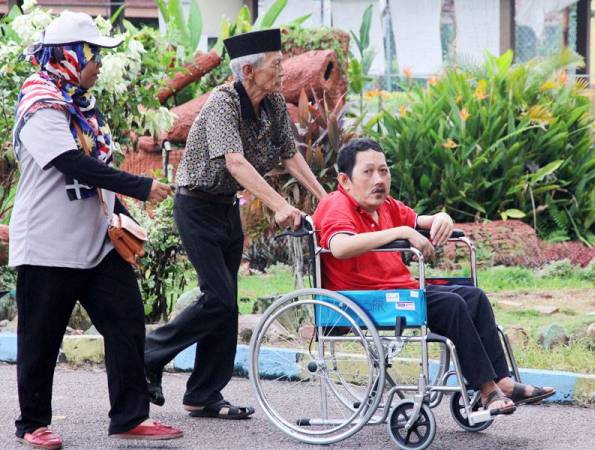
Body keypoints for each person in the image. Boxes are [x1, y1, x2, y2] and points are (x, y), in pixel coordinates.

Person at [9, 11, 183, 449]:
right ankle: (32, 424)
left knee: (126, 323)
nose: (99, 64)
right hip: (48, 243)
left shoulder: (81, 104)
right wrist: (141, 186)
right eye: (94, 55)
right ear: (70, 55)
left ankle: (129, 416)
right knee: (40, 339)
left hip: (95, 241)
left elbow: (97, 171)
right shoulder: (39, 99)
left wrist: (123, 212)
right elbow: (70, 162)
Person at [144, 28, 327, 419]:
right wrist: (278, 204)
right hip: (195, 206)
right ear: (248, 71)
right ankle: (148, 354)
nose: (282, 71)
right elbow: (235, 161)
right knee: (219, 298)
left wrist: (327, 200)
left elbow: (289, 155)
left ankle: (203, 394)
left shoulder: (274, 102)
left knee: (225, 306)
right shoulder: (222, 103)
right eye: (275, 65)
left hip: (227, 208)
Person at [312, 138, 555, 414]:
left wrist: (442, 217)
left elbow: (422, 221)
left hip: (400, 292)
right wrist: (401, 232)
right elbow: (340, 247)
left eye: (384, 170)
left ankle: (504, 382)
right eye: (368, 172)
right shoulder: (336, 205)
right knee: (452, 306)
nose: (379, 179)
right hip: (365, 301)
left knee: (474, 297)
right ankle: (487, 390)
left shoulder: (387, 206)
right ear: (345, 181)